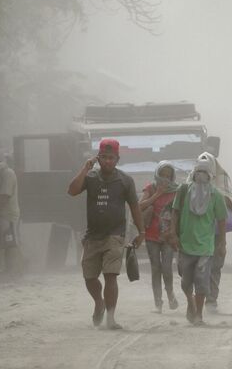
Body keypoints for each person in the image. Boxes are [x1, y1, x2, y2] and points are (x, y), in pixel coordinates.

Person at [67, 139, 145, 329]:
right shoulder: (91, 177)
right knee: (89, 277)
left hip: (115, 235)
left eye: (111, 158)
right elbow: (72, 190)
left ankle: (110, 318)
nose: (108, 161)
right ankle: (98, 303)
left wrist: (141, 231)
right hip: (93, 236)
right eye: (104, 157)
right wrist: (85, 168)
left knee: (111, 276)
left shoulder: (126, 181)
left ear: (117, 159)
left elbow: (135, 207)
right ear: (98, 158)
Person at [170, 159, 227, 325]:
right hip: (185, 245)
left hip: (205, 247)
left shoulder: (216, 195)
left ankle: (198, 315)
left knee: (202, 282)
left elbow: (222, 220)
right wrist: (173, 233)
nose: (201, 176)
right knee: (185, 281)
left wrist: (222, 244)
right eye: (198, 172)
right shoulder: (183, 190)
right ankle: (190, 301)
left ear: (210, 176)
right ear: (193, 174)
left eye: (205, 173)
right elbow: (175, 212)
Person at [196, 152, 232, 312]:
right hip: (197, 233)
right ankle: (199, 300)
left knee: (215, 267)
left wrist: (212, 195)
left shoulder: (222, 178)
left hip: (216, 233)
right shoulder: (191, 183)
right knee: (198, 268)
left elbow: (228, 201)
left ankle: (211, 300)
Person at [138, 161, 180, 313]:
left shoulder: (177, 191)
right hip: (151, 235)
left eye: (169, 176)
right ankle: (158, 303)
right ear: (157, 174)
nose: (165, 178)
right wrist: (157, 194)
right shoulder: (150, 188)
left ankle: (170, 295)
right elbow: (140, 206)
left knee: (167, 268)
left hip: (168, 236)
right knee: (155, 268)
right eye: (162, 175)